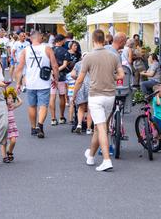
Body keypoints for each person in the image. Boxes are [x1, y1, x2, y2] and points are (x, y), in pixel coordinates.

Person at [73, 29, 125, 172]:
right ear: (104, 40)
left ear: (93, 40)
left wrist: (74, 95)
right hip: (110, 96)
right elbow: (121, 75)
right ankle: (90, 156)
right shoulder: (113, 56)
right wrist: (110, 77)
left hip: (96, 95)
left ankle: (107, 160)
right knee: (99, 127)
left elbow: (79, 79)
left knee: (101, 127)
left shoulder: (88, 57)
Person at [14, 30, 58, 138]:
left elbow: (19, 68)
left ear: (31, 38)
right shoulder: (47, 49)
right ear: (40, 37)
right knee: (43, 105)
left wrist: (18, 83)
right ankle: (40, 125)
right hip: (44, 82)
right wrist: (56, 79)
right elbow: (55, 66)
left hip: (30, 83)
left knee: (32, 105)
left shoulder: (25, 50)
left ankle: (33, 127)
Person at [51, 34, 72, 125]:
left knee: (52, 96)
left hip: (51, 76)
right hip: (61, 76)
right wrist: (57, 70)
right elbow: (64, 65)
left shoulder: (50, 50)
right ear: (61, 41)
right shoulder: (65, 51)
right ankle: (61, 117)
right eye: (64, 40)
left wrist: (52, 71)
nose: (65, 42)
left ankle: (53, 118)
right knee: (62, 96)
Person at [2, 87, 22, 163]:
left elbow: (20, 102)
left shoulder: (12, 106)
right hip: (4, 126)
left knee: (13, 141)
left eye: (11, 98)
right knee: (4, 142)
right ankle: (4, 157)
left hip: (12, 126)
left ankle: (9, 152)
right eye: (8, 98)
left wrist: (15, 95)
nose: (10, 100)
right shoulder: (4, 107)